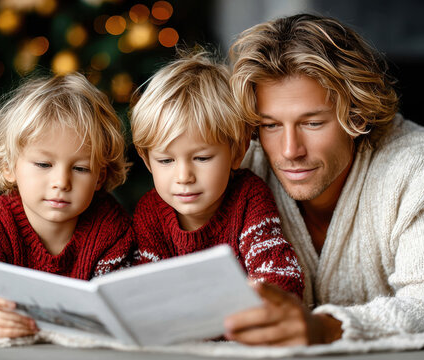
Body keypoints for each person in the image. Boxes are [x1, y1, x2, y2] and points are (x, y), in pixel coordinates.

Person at [223, 13, 424, 346]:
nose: (289, 150)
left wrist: (329, 328)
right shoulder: (245, 165)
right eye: (271, 125)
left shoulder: (419, 167)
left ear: (357, 113)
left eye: (312, 123)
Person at [0, 73, 134, 338]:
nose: (62, 182)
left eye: (81, 168)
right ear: (8, 166)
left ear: (100, 176)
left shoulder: (110, 227)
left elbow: (125, 307)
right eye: (43, 164)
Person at [129, 51, 304, 298]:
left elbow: (279, 271)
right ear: (147, 160)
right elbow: (146, 287)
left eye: (201, 158)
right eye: (166, 160)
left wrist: (270, 297)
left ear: (237, 152)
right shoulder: (151, 212)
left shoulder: (248, 196)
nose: (184, 176)